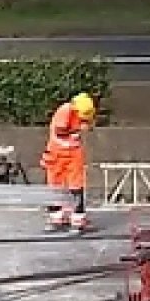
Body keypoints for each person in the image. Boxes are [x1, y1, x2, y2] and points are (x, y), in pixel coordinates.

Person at [41, 92, 96, 234]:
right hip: (56, 154)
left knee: (76, 187)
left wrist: (85, 125)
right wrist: (77, 129)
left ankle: (77, 220)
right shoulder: (65, 111)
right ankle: (56, 218)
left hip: (73, 154)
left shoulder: (83, 112)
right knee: (55, 186)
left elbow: (88, 125)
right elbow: (60, 131)